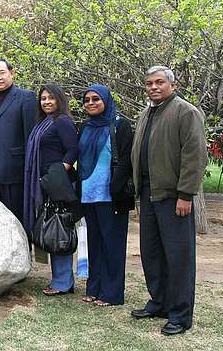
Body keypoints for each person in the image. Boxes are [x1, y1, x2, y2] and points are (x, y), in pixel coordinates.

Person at [130, 66, 206, 336]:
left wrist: (186, 194)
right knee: (152, 253)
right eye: (149, 83)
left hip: (175, 196)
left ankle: (180, 315)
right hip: (149, 194)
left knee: (179, 258)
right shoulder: (146, 114)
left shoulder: (185, 112)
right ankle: (159, 302)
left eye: (159, 82)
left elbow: (195, 155)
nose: (154, 87)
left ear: (172, 85)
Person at [77, 84, 134, 306]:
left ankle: (111, 293)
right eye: (87, 100)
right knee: (94, 243)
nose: (91, 103)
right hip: (89, 194)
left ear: (106, 101)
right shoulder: (85, 127)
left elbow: (127, 160)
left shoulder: (120, 125)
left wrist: (115, 187)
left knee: (112, 244)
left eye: (96, 99)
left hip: (112, 195)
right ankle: (94, 288)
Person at [24, 83, 78, 295]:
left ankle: (63, 282)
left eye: (51, 98)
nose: (46, 102)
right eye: (43, 98)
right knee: (50, 227)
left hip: (56, 184)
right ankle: (61, 279)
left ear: (59, 100)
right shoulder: (43, 123)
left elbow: (73, 149)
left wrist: (59, 173)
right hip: (44, 182)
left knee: (59, 229)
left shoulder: (62, 121)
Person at [0, 58, 37, 221]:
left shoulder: (26, 97)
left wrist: (29, 170)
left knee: (15, 219)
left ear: (12, 73)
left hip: (14, 171)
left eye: (2, 72)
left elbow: (30, 137)